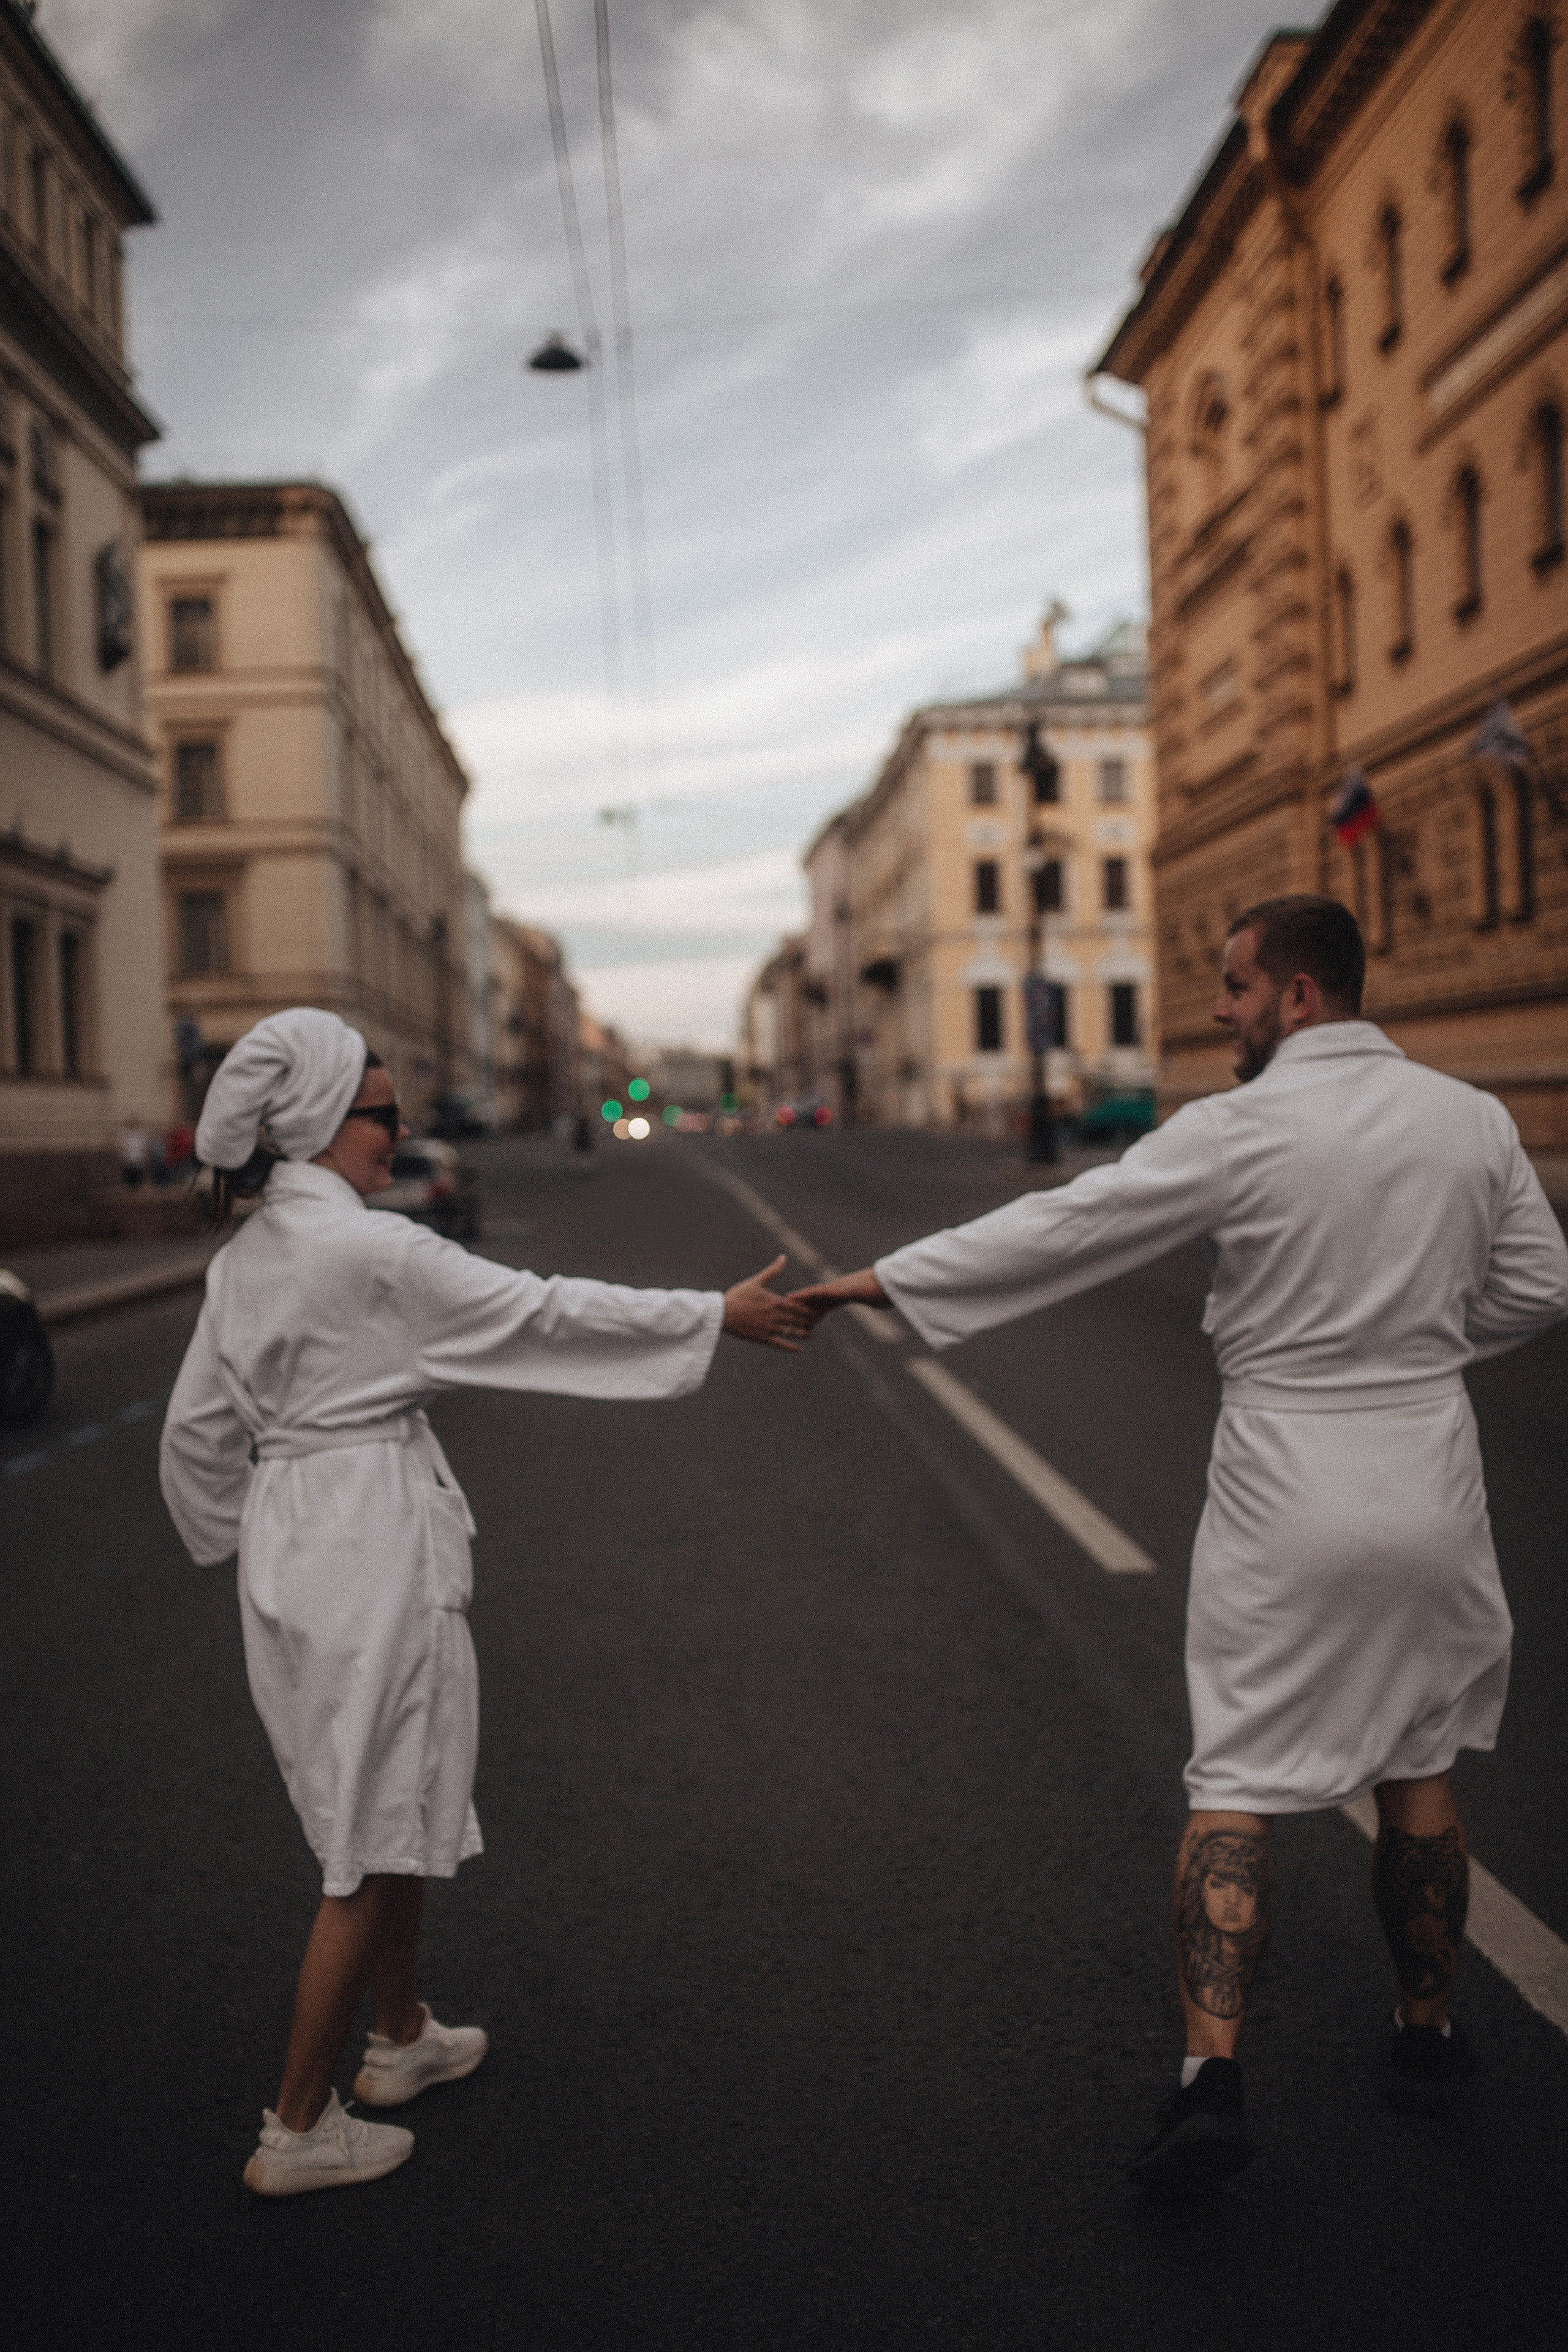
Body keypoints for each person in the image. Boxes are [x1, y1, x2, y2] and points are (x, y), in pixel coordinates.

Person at [790, 896, 1568, 2193]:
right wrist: (1419, 1352)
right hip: (1428, 1477)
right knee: (1418, 1763)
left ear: (1299, 996)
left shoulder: (1235, 1129)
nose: (1219, 1010)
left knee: (1241, 1774)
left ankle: (1211, 2077)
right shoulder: (1469, 1118)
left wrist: (876, 1283)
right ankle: (1426, 2041)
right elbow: (1541, 1285)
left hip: (1286, 1479)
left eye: (1233, 988)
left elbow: (1062, 1227)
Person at [160, 1008, 809, 2198]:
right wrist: (712, 1315)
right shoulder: (371, 1254)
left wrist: (240, 1545)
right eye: (382, 1116)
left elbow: (196, 1436)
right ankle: (295, 2127)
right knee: (365, 1835)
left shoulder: (246, 1257)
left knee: (384, 1791)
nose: (397, 1138)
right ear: (317, 1123)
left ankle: (399, 2037)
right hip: (365, 1542)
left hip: (295, 1541)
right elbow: (541, 1311)